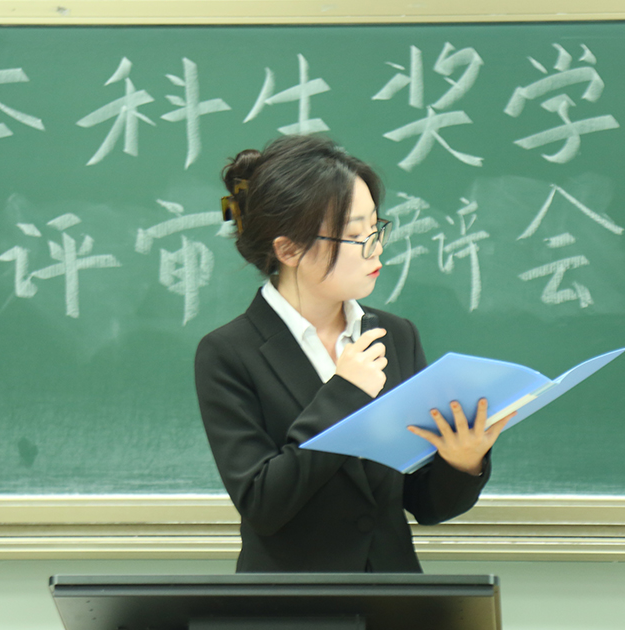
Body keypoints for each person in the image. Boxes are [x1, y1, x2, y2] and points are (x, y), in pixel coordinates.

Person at [194, 135, 511, 573]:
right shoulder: (229, 352)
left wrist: (462, 461)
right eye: (355, 235)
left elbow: (424, 503)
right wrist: (343, 392)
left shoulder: (394, 335)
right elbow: (263, 503)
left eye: (375, 228)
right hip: (288, 602)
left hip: (393, 595)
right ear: (289, 249)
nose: (375, 247)